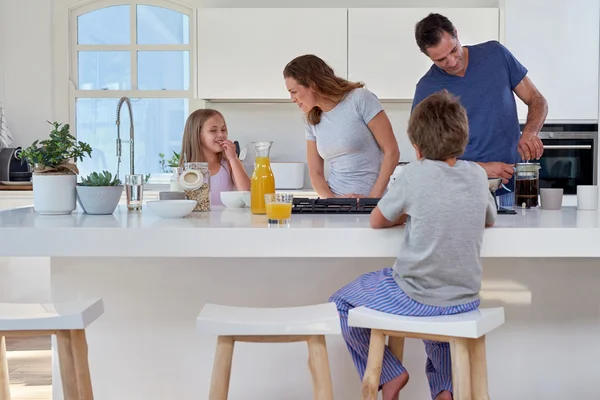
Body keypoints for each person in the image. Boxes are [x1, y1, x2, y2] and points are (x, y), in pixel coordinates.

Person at [330, 90, 497, 400]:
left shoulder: (413, 174)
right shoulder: (476, 174)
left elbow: (377, 220)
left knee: (341, 302)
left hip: (417, 295)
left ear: (417, 149)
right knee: (439, 321)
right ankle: (445, 390)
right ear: (462, 140)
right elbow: (488, 218)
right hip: (464, 299)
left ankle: (391, 374)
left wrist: (409, 213)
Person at [411, 13, 548, 207]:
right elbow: (426, 157)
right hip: (461, 193)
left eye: (453, 50)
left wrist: (530, 132)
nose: (451, 62)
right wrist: (479, 169)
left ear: (456, 34)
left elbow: (537, 99)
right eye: (440, 60)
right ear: (428, 56)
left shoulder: (496, 54)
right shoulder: (426, 88)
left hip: (513, 188)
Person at [283, 54, 400, 199]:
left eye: (293, 92)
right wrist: (334, 204)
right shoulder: (312, 120)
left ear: (312, 84)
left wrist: (371, 201)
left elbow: (392, 151)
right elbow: (315, 173)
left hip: (374, 202)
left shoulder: (360, 99)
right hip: (335, 205)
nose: (292, 99)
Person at [179, 109, 250, 205]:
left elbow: (247, 193)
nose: (221, 135)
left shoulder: (229, 163)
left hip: (226, 219)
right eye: (213, 131)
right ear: (197, 135)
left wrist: (233, 158)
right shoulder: (186, 170)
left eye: (223, 130)